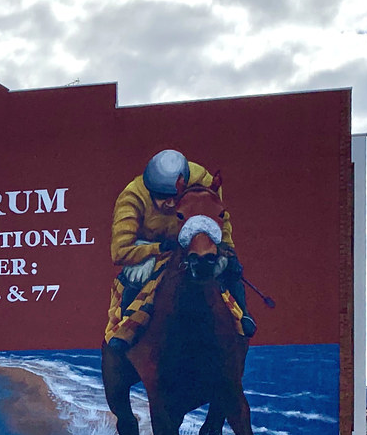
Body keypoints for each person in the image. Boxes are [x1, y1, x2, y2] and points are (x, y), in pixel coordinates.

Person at [107, 149, 256, 352]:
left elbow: (220, 217)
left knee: (229, 266)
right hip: (151, 249)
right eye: (161, 198)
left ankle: (243, 315)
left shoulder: (204, 182)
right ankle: (126, 328)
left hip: (195, 244)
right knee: (136, 275)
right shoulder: (131, 198)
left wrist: (226, 250)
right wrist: (157, 248)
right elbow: (120, 251)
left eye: (172, 197)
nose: (169, 203)